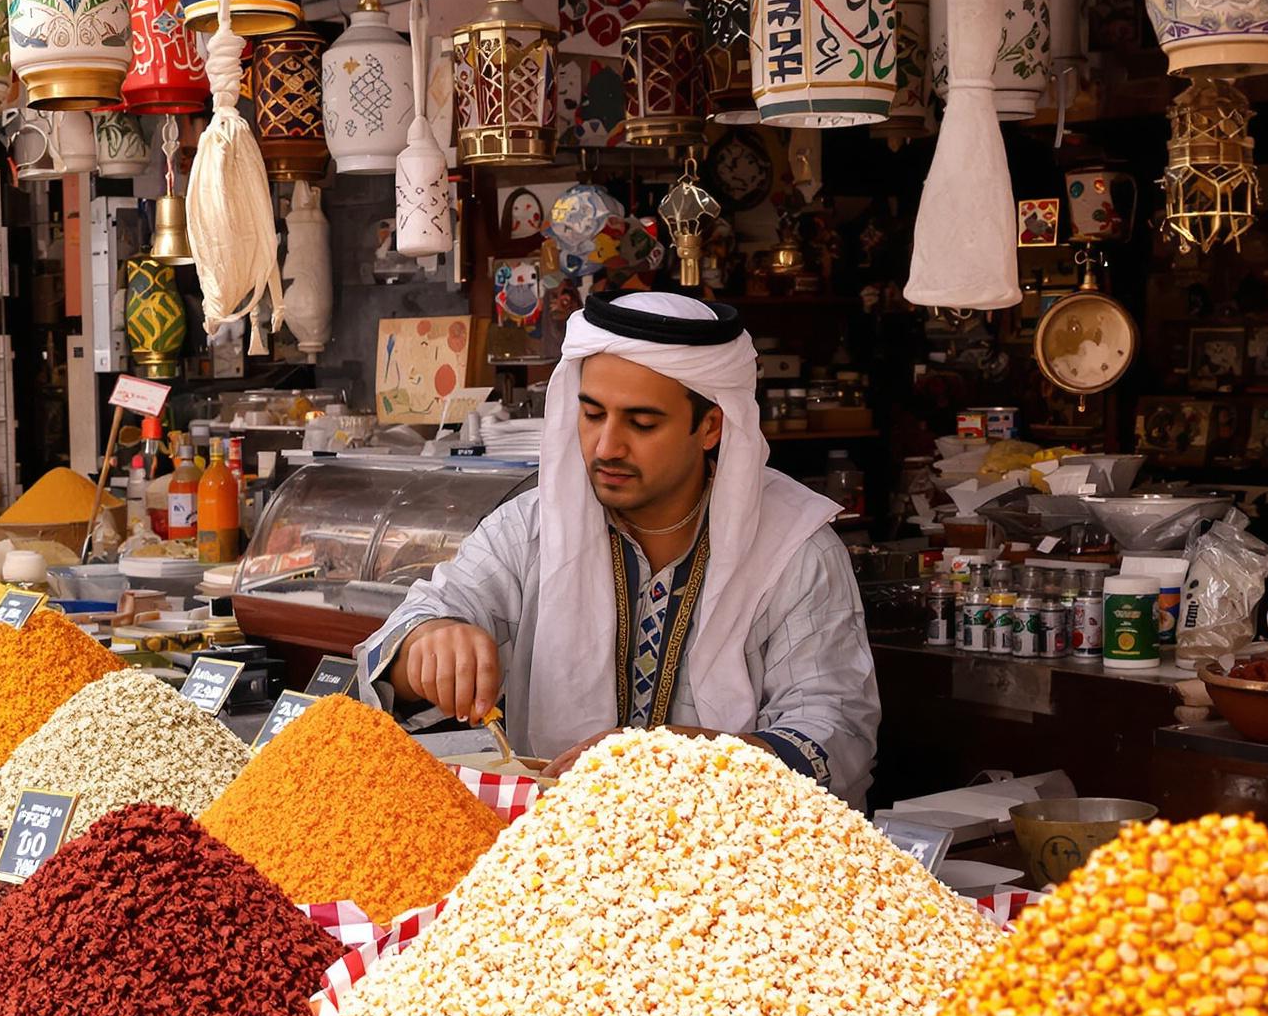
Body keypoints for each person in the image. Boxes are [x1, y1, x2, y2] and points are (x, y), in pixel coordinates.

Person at [358, 292, 880, 803]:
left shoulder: (794, 548)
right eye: (591, 415)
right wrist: (428, 641)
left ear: (710, 426)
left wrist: (693, 758)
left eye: (642, 423)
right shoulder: (531, 528)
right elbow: (401, 643)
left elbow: (835, 733)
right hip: (550, 858)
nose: (607, 447)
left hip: (731, 863)